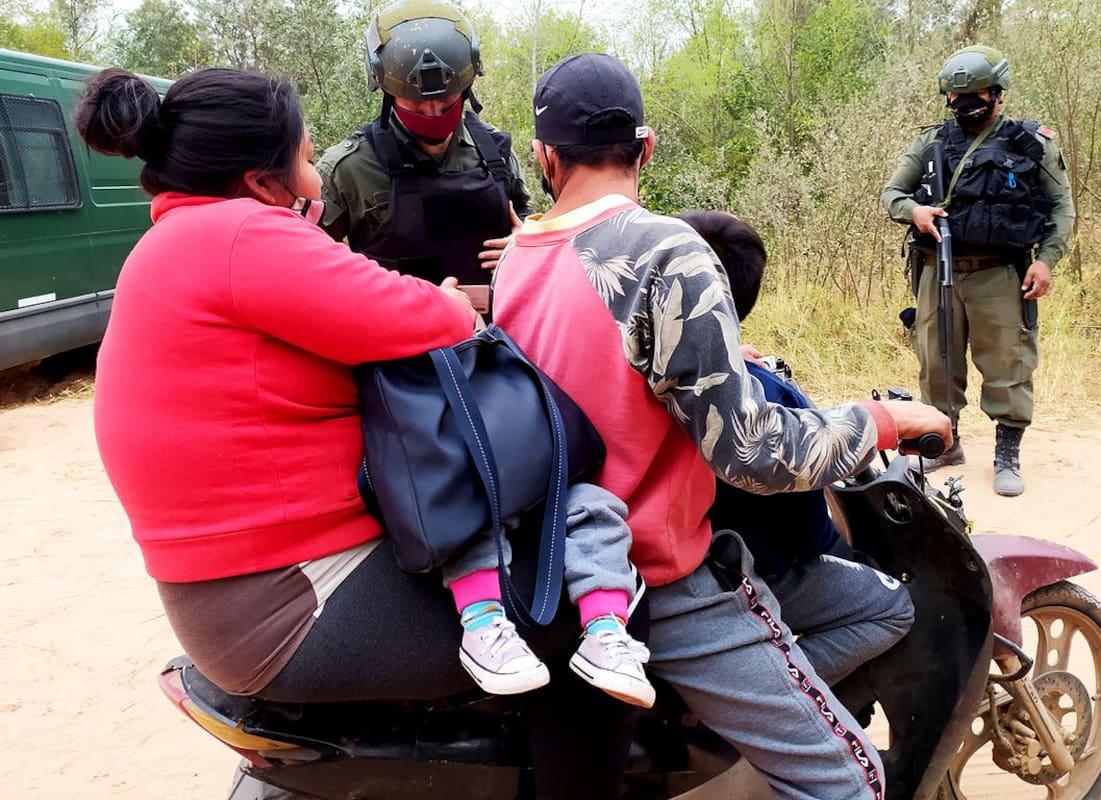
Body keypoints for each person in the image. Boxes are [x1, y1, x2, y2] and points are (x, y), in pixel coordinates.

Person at [76, 65, 637, 800]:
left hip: (236, 594)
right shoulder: (242, 235)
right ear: (260, 178)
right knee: (598, 590)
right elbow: (433, 319)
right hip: (292, 601)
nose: (315, 177)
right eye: (307, 161)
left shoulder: (179, 241)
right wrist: (439, 296)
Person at [492, 53, 952, 800]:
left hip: (554, 563)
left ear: (545, 158)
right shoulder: (666, 250)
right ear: (645, 148)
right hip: (659, 576)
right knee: (851, 782)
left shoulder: (518, 256)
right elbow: (753, 453)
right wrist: (883, 421)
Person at [678, 209, 915, 688]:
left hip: (680, 555)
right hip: (746, 568)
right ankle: (772, 689)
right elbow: (806, 532)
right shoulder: (766, 393)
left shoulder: (644, 371)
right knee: (891, 605)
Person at [881, 44, 1076, 496]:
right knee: (935, 363)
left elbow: (1061, 208)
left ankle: (1007, 451)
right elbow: (892, 193)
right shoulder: (930, 142)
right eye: (957, 98)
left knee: (1008, 363)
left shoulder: (1031, 143)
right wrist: (915, 212)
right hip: (938, 269)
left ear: (997, 93)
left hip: (1001, 274)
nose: (966, 106)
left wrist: (1046, 260)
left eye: (976, 96)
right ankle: (944, 444)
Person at [316, 0, 532, 314]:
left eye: (446, 102)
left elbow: (526, 218)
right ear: (387, 91)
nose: (432, 112)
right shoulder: (348, 169)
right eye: (416, 105)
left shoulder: (496, 153)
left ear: (467, 87)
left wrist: (525, 243)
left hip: (496, 344)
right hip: (395, 348)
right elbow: (309, 266)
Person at [438, 481, 655, 707]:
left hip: (532, 474)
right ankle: (481, 620)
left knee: (597, 505)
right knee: (465, 497)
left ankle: (604, 632)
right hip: (474, 476)